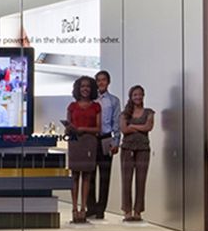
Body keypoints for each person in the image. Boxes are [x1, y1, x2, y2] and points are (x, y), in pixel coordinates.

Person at [65, 75, 102, 223]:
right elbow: (68, 126)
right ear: (78, 89)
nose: (85, 89)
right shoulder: (72, 106)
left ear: (92, 88)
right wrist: (70, 129)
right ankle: (74, 208)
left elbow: (98, 128)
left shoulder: (96, 106)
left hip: (89, 141)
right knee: (74, 175)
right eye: (82, 86)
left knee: (86, 176)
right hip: (75, 142)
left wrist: (82, 129)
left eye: (88, 86)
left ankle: (83, 208)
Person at [120, 85, 155, 222]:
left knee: (141, 180)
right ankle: (127, 210)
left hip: (143, 149)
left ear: (143, 96)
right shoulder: (125, 113)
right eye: (135, 95)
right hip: (127, 148)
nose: (138, 97)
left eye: (140, 94)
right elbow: (124, 129)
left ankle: (138, 211)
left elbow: (149, 127)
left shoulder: (149, 112)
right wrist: (139, 128)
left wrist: (133, 126)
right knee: (126, 180)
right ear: (131, 96)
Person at [92, 69, 120, 220]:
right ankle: (90, 207)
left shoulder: (114, 101)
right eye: (98, 80)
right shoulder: (91, 100)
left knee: (104, 176)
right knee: (90, 175)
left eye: (103, 80)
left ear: (108, 82)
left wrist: (116, 142)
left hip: (106, 139)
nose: (101, 82)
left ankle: (101, 209)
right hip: (91, 139)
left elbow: (116, 123)